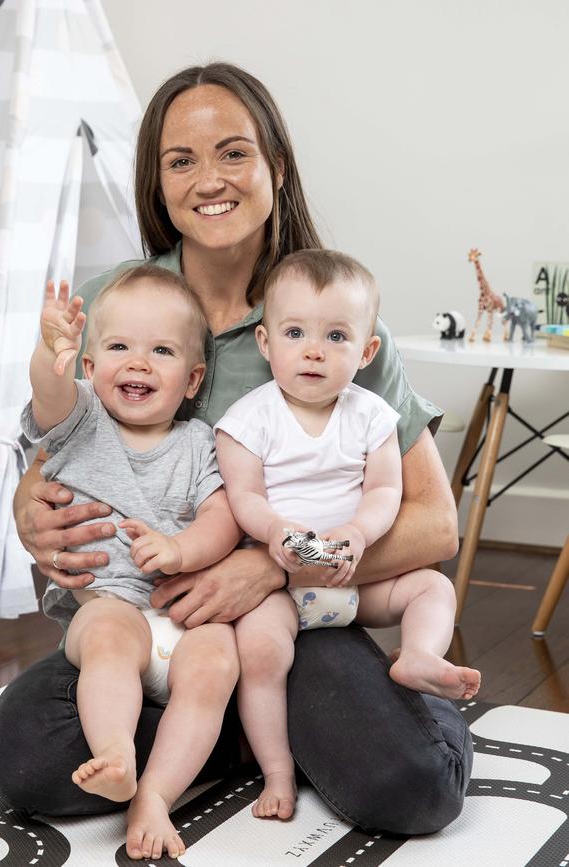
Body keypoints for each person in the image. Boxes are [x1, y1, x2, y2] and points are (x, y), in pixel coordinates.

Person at [0, 62, 472, 858]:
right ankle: (229, 727)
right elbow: (56, 445)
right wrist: (28, 510)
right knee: (24, 761)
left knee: (413, 785)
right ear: (157, 181)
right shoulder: (119, 297)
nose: (209, 179)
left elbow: (434, 524)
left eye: (233, 152)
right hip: (143, 622)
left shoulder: (326, 312)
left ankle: (286, 716)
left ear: (276, 164)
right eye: (181, 160)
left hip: (290, 623)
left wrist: (274, 568)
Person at [215, 249, 481, 820]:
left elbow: (386, 491)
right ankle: (277, 772)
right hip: (280, 592)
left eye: (336, 336)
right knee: (260, 650)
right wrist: (276, 533)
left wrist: (360, 534)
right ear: (266, 344)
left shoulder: (371, 415)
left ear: (366, 352)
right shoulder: (249, 419)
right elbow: (245, 499)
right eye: (295, 332)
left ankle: (418, 656)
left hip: (354, 581)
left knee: (432, 587)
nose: (314, 350)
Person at [23, 266, 241, 859]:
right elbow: (50, 394)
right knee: (111, 641)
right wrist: (51, 353)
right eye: (119, 347)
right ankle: (117, 752)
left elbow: (221, 520)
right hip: (111, 606)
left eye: (161, 351)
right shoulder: (80, 423)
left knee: (217, 665)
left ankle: (156, 797)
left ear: (193, 379)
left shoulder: (201, 443)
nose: (139, 363)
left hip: (185, 613)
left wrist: (179, 550)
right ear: (91, 369)